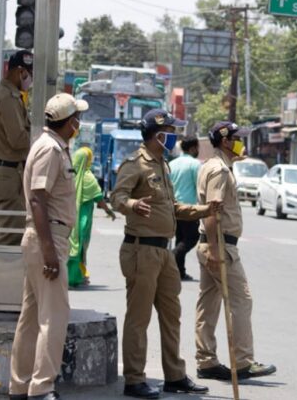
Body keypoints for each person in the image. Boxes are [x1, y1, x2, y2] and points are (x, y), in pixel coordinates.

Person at [111, 109, 215, 399]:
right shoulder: (137, 164)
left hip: (165, 252)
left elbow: (172, 208)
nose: (175, 135)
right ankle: (134, 379)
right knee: (139, 317)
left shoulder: (163, 165)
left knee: (172, 315)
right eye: (171, 130)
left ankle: (175, 375)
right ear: (158, 134)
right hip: (141, 249)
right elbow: (116, 196)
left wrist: (205, 210)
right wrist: (132, 204)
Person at [8, 93, 88, 400]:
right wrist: (50, 251)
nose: (78, 123)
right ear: (68, 122)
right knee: (53, 316)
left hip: (47, 237)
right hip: (47, 238)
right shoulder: (50, 150)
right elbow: (38, 199)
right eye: (76, 118)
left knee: (31, 318)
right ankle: (41, 388)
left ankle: (20, 386)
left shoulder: (55, 147)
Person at [195, 121, 277, 381]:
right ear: (226, 141)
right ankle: (242, 361)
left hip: (211, 243)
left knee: (208, 304)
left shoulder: (213, 165)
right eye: (238, 138)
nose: (243, 142)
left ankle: (206, 361)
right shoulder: (220, 170)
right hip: (221, 244)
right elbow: (212, 211)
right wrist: (217, 250)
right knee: (242, 300)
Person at [0, 50, 33, 245]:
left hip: (7, 172)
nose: (29, 81)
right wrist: (42, 137)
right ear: (20, 71)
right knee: (10, 236)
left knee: (1, 232)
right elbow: (18, 139)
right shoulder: (8, 97)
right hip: (12, 174)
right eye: (29, 75)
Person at [67, 146, 116, 288]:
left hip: (67, 216)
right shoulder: (88, 177)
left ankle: (70, 275)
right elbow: (99, 198)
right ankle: (74, 277)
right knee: (79, 246)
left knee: (69, 245)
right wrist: (109, 212)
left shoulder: (68, 175)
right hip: (82, 219)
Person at [169, 136, 202, 281]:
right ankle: (172, 255)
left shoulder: (172, 163)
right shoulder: (195, 164)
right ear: (193, 148)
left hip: (174, 207)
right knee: (192, 238)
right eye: (197, 148)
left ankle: (179, 272)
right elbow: (200, 187)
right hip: (188, 208)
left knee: (180, 238)